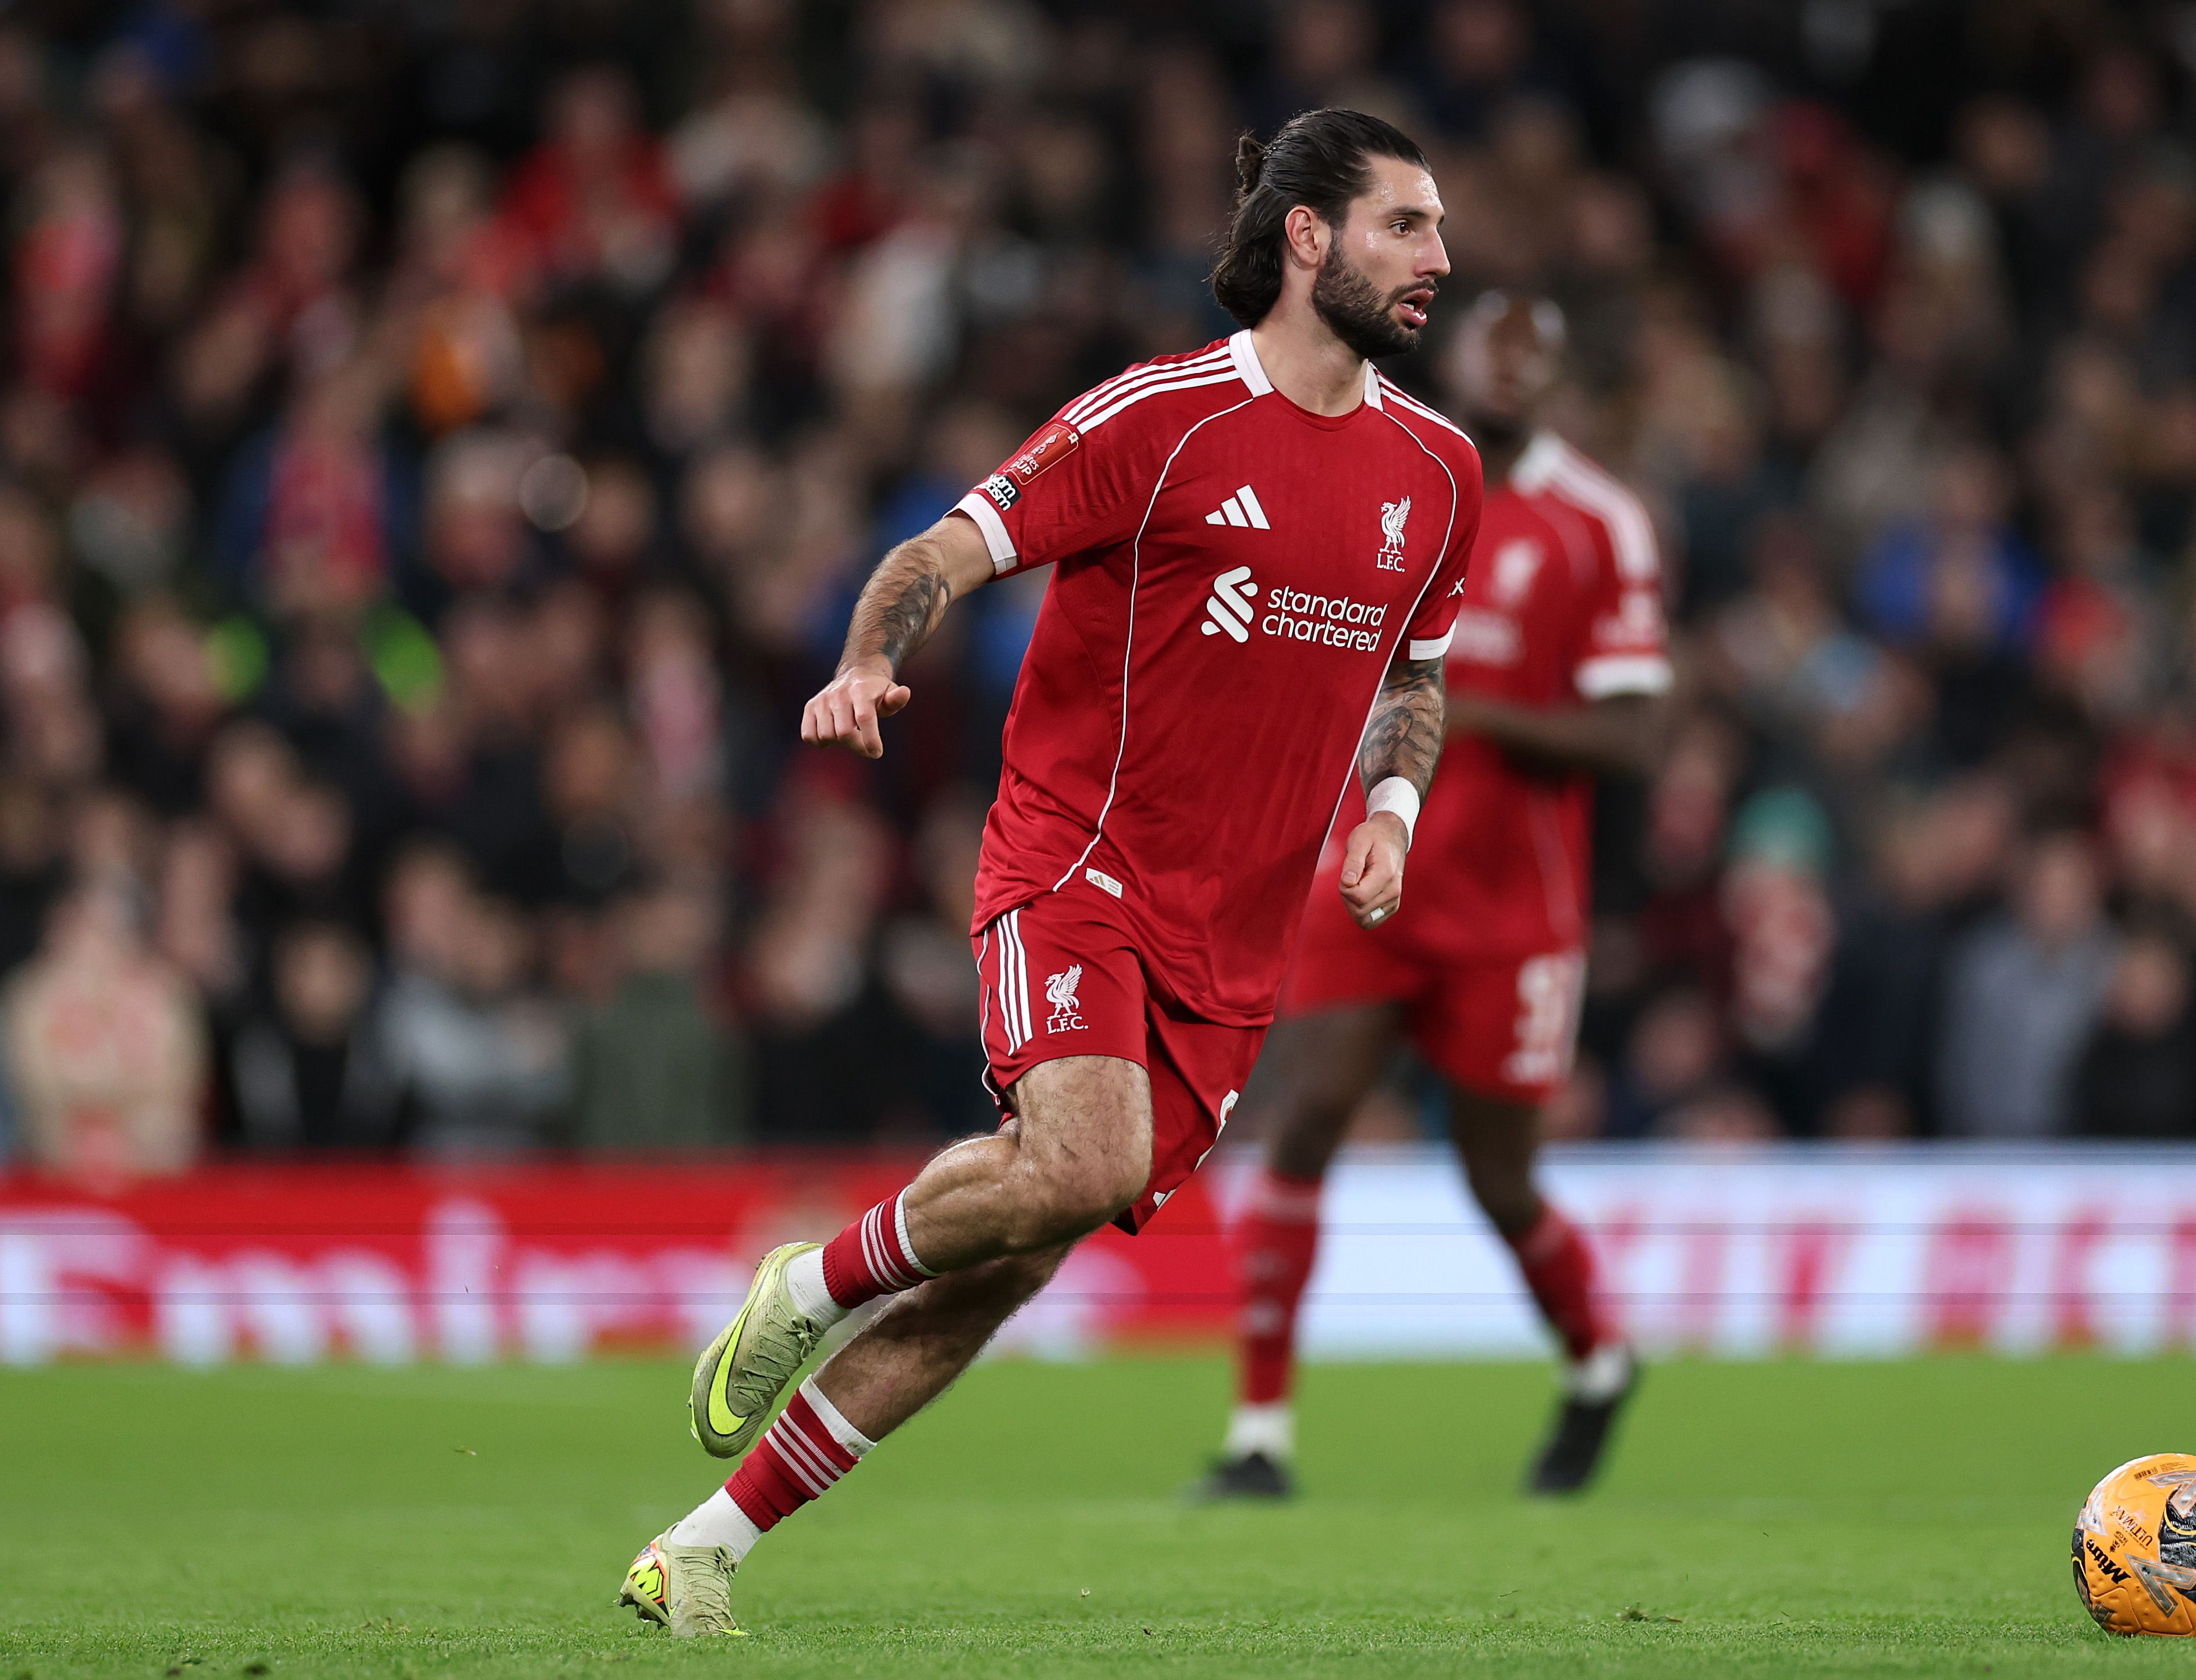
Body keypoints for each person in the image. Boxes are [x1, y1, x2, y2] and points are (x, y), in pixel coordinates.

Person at [619, 108, 1480, 1636]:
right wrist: (864, 666)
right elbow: (935, 556)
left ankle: (702, 1549)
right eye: (1402, 225)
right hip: (1075, 861)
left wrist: (1394, 810)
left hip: (1237, 939)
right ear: (1304, 238)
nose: (1436, 255)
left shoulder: (1440, 471)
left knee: (1017, 1259)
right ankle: (812, 1283)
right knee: (1075, 1166)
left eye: (1434, 227)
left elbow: (1414, 679)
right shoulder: (1153, 424)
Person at [1193, 293, 1671, 1500]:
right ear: (1449, 359)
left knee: (1496, 1179)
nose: (1507, 371)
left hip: (1512, 909)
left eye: (1533, 351)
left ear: (1557, 376)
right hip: (1369, 865)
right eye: (1489, 348)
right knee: (1305, 1118)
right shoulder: (1382, 477)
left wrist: (1462, 705)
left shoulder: (1595, 523)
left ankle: (1600, 1361)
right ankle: (1258, 1437)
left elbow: (1638, 734)